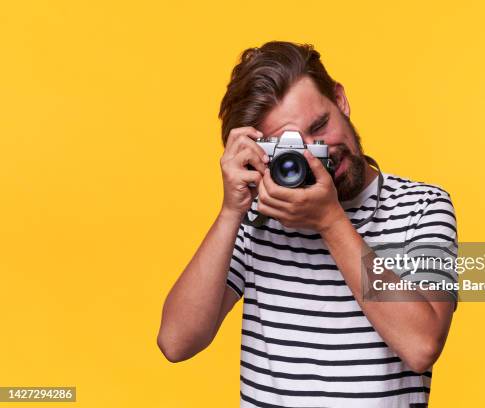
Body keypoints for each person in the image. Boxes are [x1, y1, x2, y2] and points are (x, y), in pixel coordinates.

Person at [157, 41, 458, 408]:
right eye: (295, 148)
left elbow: (422, 345)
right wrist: (231, 212)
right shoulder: (259, 214)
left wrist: (330, 222)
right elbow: (176, 343)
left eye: (320, 125)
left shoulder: (422, 206)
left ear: (340, 101)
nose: (321, 150)